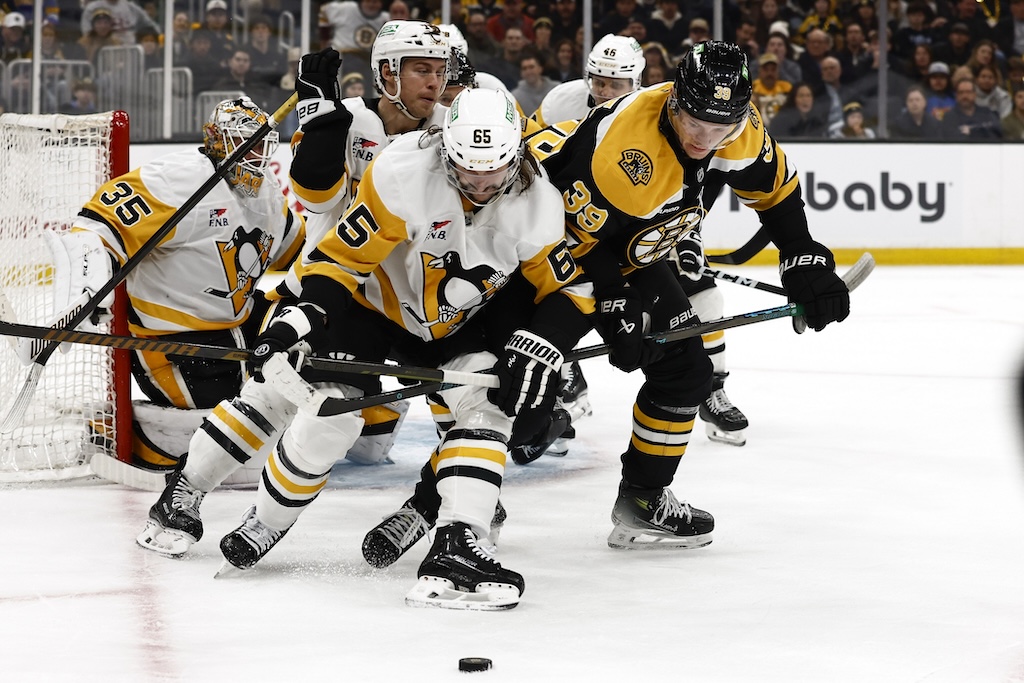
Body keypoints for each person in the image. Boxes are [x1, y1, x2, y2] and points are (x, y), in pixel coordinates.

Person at [368, 41, 850, 567]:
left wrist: (804, 257)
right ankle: (428, 502)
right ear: (672, 102)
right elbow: (577, 239)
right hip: (547, 261)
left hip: (634, 257)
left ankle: (643, 501)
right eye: (692, 122)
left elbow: (776, 192)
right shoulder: (629, 148)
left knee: (687, 371)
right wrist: (617, 306)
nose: (702, 139)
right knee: (519, 401)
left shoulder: (737, 128)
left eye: (718, 129)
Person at [218, 88, 593, 611]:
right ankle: (266, 520)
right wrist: (297, 318)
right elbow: (342, 261)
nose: (482, 186)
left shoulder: (538, 203)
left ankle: (457, 542)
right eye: (468, 172)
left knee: (491, 409)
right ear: (446, 152)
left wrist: (544, 340)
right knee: (328, 420)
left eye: (494, 172)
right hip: (374, 309)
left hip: (455, 322)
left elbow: (570, 291)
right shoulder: (402, 172)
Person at [65, 97, 303, 479]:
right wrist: (85, 291)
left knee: (292, 378)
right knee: (235, 433)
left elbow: (295, 251)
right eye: (244, 141)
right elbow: (97, 226)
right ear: (217, 141)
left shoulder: (267, 190)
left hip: (240, 327)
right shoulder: (177, 179)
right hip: (171, 340)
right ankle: (131, 432)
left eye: (261, 143)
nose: (256, 154)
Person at [532, 34, 644, 126]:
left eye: (616, 85)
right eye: (599, 83)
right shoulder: (560, 99)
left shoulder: (653, 112)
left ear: (634, 85)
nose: (606, 92)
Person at [318, 0, 390, 86]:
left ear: (381, 3)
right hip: (344, 59)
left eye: (375, 2)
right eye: (368, 1)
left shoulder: (385, 19)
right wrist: (324, 41)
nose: (371, 5)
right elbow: (325, 11)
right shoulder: (348, 9)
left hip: (368, 62)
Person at [939, 74, 1004, 137]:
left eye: (968, 92)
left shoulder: (987, 113)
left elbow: (996, 135)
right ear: (956, 96)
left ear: (975, 94)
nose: (964, 96)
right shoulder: (949, 117)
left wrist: (972, 131)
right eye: (961, 92)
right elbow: (950, 139)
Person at [79, 0, 161, 46]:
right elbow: (86, 34)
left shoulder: (131, 7)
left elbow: (153, 26)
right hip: (104, 55)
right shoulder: (92, 8)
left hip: (131, 54)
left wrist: (161, 41)